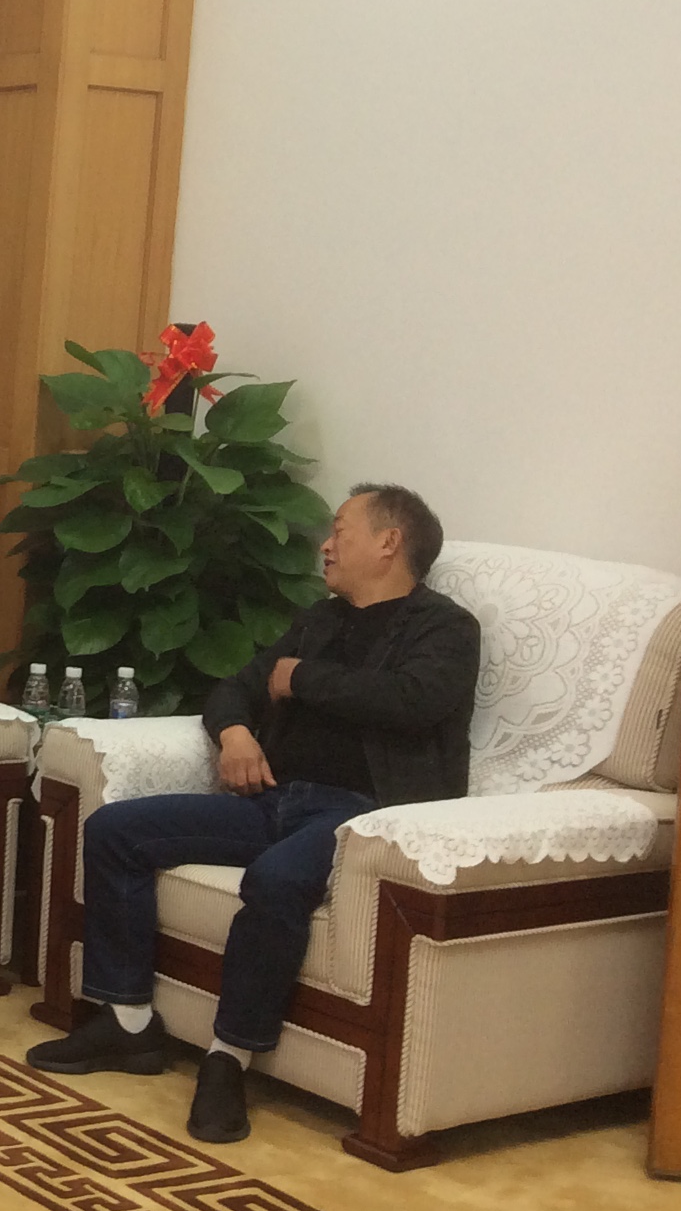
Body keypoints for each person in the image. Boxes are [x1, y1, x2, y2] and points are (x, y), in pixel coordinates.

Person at [25, 483, 481, 1144]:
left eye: (341, 530)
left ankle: (227, 1059)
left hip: (361, 819)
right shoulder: (320, 621)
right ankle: (127, 1023)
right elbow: (236, 686)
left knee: (276, 879)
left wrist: (300, 678)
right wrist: (235, 733)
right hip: (274, 800)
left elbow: (414, 700)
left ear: (389, 543)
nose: (325, 545)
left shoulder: (445, 627)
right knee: (115, 831)